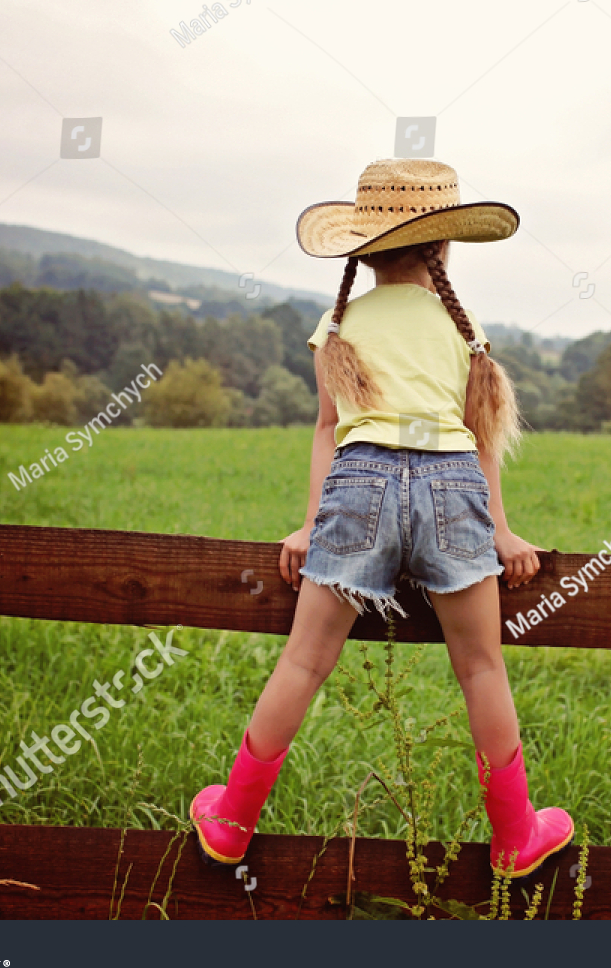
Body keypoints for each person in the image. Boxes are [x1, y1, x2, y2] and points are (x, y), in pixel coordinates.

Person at [190, 157, 573, 879]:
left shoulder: (340, 323)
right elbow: (479, 438)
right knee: (482, 665)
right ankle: (516, 832)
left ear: (363, 249)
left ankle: (232, 819)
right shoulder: (463, 328)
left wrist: (310, 523)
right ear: (445, 248)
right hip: (453, 484)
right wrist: (501, 531)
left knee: (304, 660)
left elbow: (328, 429)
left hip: (360, 480)